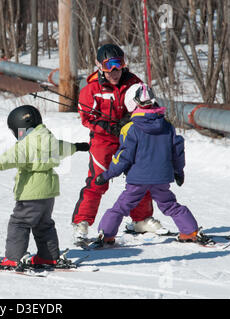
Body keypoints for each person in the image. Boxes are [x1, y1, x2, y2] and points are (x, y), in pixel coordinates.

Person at [0, 105, 90, 269]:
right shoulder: (50, 140)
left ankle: (13, 258)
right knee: (44, 224)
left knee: (19, 222)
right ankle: (48, 256)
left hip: (31, 192)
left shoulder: (27, 143)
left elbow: (11, 156)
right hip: (48, 192)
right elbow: (64, 147)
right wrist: (78, 146)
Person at [71, 43, 162, 245]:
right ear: (100, 66)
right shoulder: (92, 89)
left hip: (129, 138)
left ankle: (141, 219)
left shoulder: (134, 83)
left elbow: (146, 105)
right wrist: (109, 127)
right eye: (108, 66)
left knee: (139, 177)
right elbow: (87, 118)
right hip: (103, 140)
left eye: (118, 64)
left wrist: (130, 119)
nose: (114, 71)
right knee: (98, 180)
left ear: (124, 64)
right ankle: (82, 222)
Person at [95, 83, 205, 244]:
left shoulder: (131, 129)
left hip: (138, 179)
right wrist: (178, 172)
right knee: (169, 204)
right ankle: (190, 231)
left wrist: (107, 175)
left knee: (121, 207)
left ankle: (107, 234)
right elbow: (177, 152)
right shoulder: (167, 126)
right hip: (162, 177)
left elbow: (123, 156)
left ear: (131, 103)